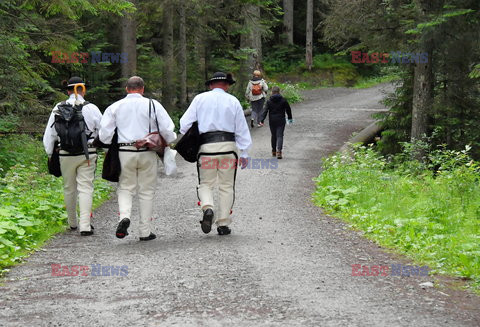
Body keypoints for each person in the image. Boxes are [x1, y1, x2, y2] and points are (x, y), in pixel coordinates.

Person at [99, 76, 176, 241]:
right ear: (142, 89)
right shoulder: (153, 105)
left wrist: (108, 145)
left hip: (124, 151)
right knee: (146, 191)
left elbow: (104, 135)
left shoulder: (115, 107)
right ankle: (145, 231)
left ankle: (124, 217)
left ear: (127, 89)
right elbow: (167, 129)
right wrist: (168, 142)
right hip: (147, 151)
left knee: (126, 188)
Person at [180, 72, 252, 235]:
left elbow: (184, 124)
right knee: (227, 186)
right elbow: (241, 127)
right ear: (226, 85)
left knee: (205, 183)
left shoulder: (199, 99)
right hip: (228, 148)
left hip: (207, 148)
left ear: (211, 85)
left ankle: (208, 207)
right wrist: (245, 151)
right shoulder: (233, 101)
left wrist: (194, 137)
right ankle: (223, 224)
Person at [43, 76, 102, 236]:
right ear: (83, 89)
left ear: (68, 90)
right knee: (85, 188)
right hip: (87, 153)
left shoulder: (58, 107)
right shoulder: (92, 108)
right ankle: (85, 225)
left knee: (69, 188)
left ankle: (72, 223)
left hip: (65, 153)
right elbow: (102, 132)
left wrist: (50, 153)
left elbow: (50, 134)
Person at [260, 86, 293, 159]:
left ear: (272, 92)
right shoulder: (283, 100)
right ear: (279, 91)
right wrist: (290, 118)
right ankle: (279, 152)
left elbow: (265, 111)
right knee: (280, 135)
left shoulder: (269, 101)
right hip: (281, 120)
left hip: (272, 120)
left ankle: (274, 151)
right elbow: (288, 109)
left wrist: (261, 120)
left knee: (273, 135)